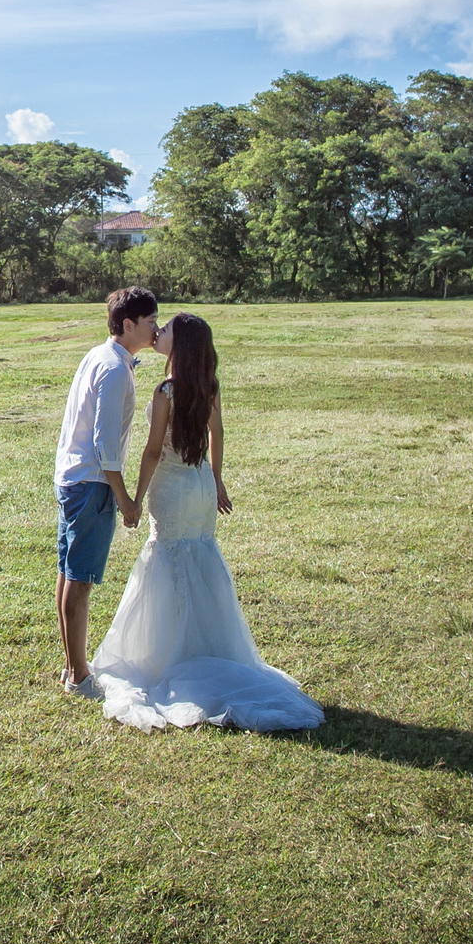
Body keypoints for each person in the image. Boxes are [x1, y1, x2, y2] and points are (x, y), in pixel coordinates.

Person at [86, 311, 323, 732]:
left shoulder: (167, 391)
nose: (159, 333)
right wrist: (217, 480)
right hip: (200, 486)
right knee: (200, 557)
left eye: (167, 331)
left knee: (168, 560)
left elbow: (154, 451)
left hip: (174, 489)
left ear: (181, 345)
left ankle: (169, 655)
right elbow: (218, 433)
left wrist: (134, 499)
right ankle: (209, 646)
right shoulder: (208, 386)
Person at [50, 285, 158, 696]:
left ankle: (72, 665)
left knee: (68, 573)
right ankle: (78, 676)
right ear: (128, 324)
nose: (155, 329)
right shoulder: (113, 368)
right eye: (149, 322)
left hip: (73, 477)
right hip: (91, 483)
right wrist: (125, 499)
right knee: (79, 579)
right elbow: (105, 445)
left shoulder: (102, 356)